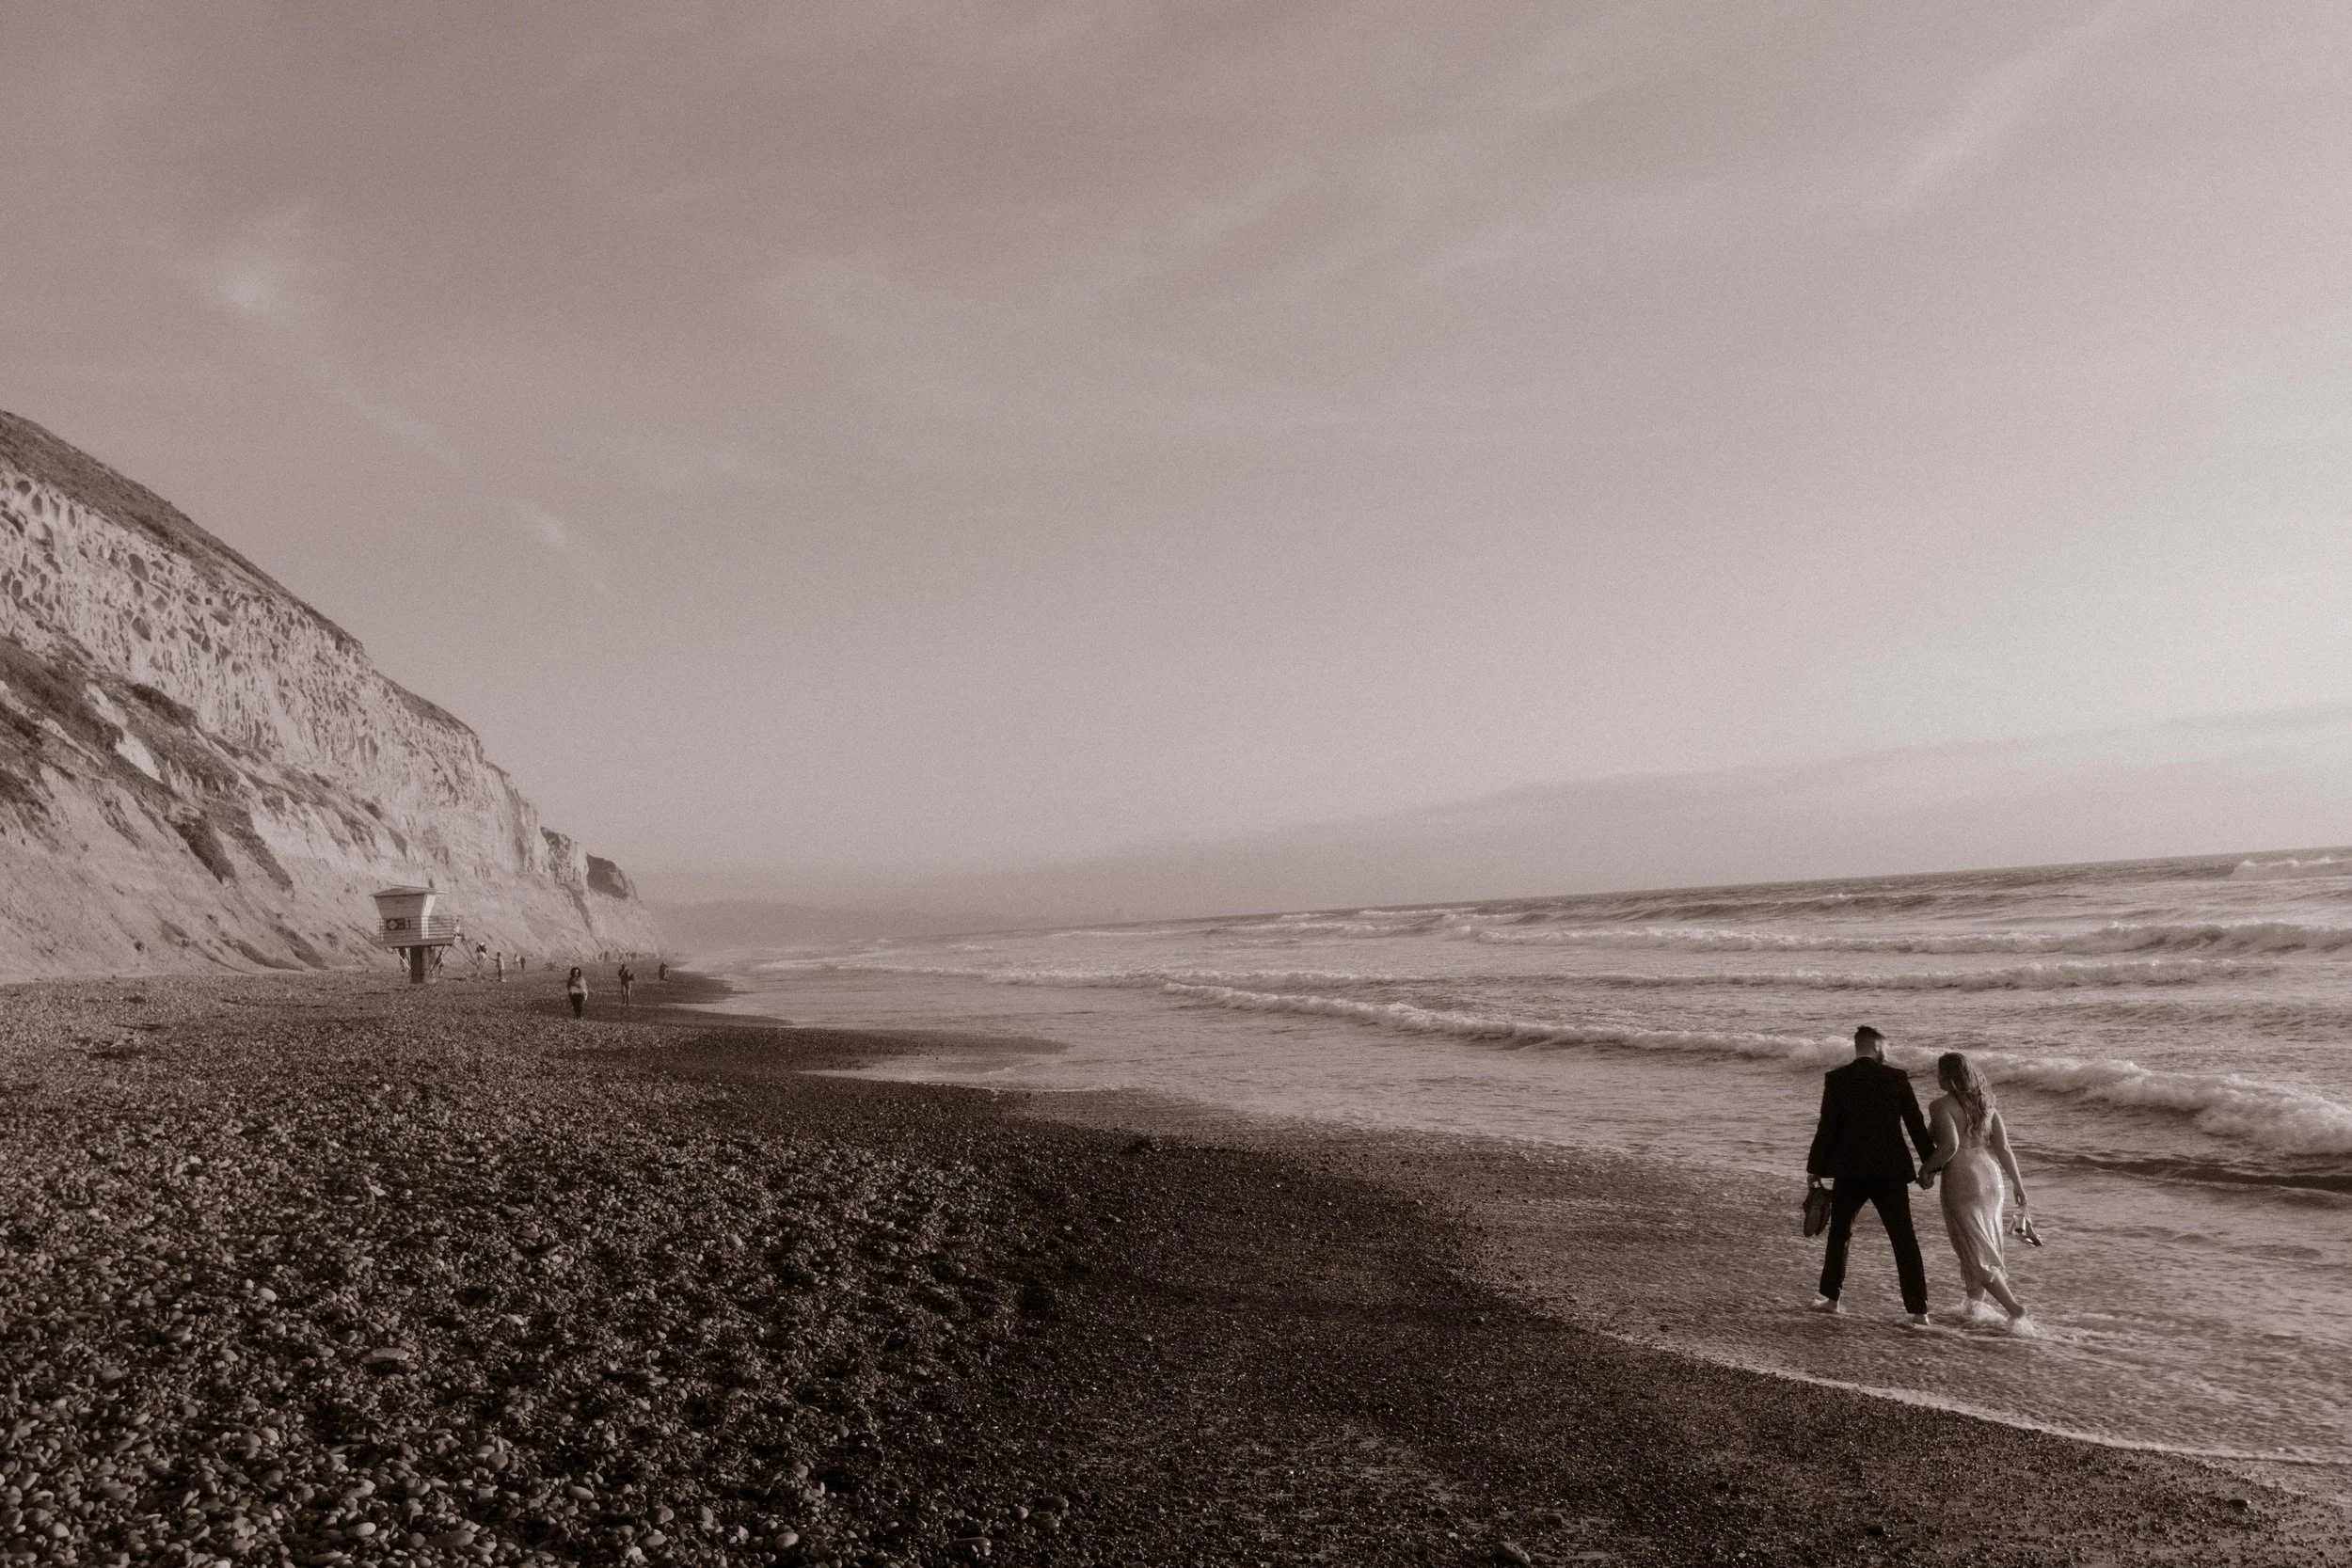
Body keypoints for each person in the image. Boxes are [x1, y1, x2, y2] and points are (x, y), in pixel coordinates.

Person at [1806, 1024, 1935, 1324]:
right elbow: (1915, 1124)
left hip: (1849, 1171)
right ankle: (1919, 1312)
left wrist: (1815, 1168)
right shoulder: (1896, 1078)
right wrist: (1930, 1166)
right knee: (1904, 1239)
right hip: (1890, 1172)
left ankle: (1831, 1300)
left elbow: (1826, 1127)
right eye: (1885, 1047)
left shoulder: (1837, 1079)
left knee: (1840, 1234)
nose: (1887, 1052)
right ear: (1877, 1045)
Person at [1917, 1052, 2033, 1328]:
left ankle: (2015, 1309)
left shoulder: (1940, 1105)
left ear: (1948, 1076)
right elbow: (2004, 1149)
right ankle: (1973, 1310)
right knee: (1982, 1245)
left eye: (1939, 1073)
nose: (1937, 1078)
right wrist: (2018, 1184)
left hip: (1962, 1177)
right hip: (1992, 1178)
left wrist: (1925, 1170)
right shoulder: (1987, 1106)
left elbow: (1949, 1147)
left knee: (1974, 1250)